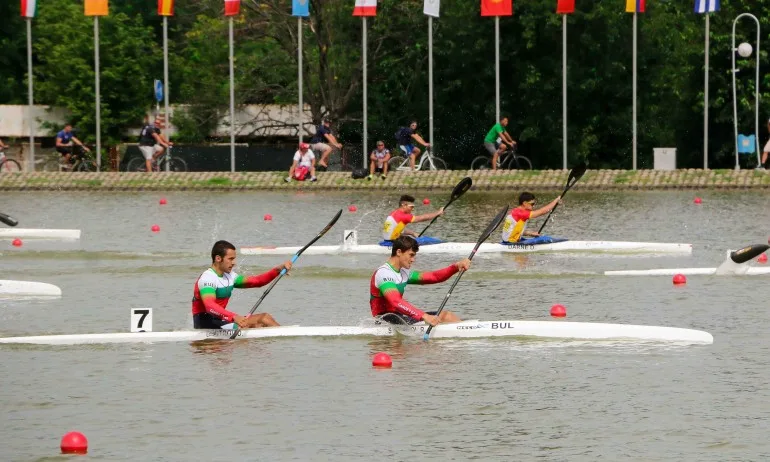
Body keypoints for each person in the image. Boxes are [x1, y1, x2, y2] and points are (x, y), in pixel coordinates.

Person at [192, 240, 293, 329]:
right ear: (218, 258)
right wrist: (234, 317)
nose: (234, 263)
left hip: (221, 319)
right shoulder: (207, 278)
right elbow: (210, 306)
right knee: (252, 325)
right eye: (230, 259)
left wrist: (277, 270)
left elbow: (257, 281)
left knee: (264, 318)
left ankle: (284, 338)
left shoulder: (230, 276)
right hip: (205, 323)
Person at [370, 235, 468, 326]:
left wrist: (456, 267)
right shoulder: (384, 273)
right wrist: (424, 316)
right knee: (444, 318)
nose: (413, 259)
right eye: (411, 255)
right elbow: (395, 301)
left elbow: (434, 277)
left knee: (447, 316)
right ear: (399, 252)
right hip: (384, 321)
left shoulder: (403, 272)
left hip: (400, 317)